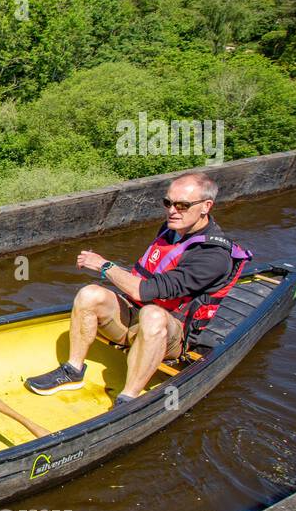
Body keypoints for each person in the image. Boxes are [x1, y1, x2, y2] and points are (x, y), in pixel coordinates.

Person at [25, 171, 251, 406]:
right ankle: (73, 371)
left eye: (183, 205)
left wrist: (105, 266)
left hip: (169, 335)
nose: (172, 211)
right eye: (168, 203)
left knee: (152, 315)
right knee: (89, 294)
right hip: (136, 315)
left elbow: (146, 291)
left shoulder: (213, 256)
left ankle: (128, 398)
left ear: (206, 206)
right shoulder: (170, 228)